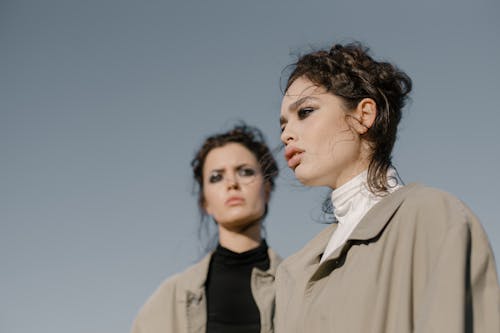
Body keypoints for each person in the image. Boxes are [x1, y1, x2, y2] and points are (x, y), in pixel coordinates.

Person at [275, 42, 500, 332]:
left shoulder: (432, 217)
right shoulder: (292, 272)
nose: (286, 135)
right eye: (282, 125)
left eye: (305, 112)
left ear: (363, 115)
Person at [132, 123, 281, 333]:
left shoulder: (300, 285)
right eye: (216, 177)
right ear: (205, 202)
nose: (232, 183)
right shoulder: (170, 299)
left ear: (266, 189)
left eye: (245, 172)